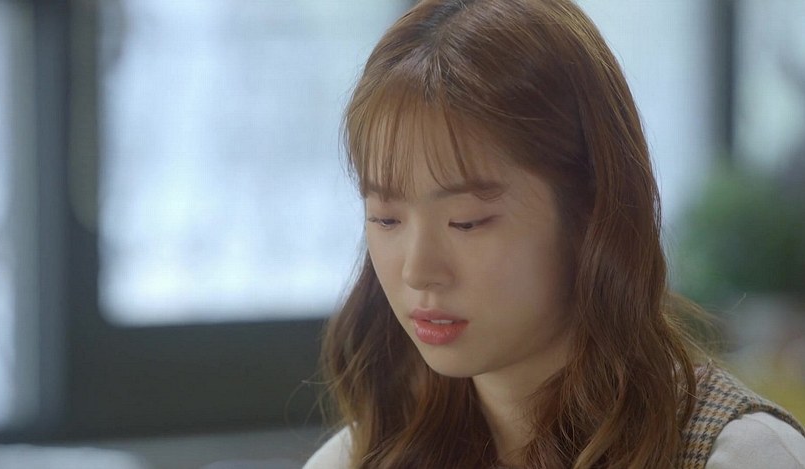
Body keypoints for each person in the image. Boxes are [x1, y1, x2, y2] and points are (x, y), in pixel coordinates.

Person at [305, 0, 805, 467]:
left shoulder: (738, 454)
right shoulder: (360, 456)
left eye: (466, 221)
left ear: (589, 210)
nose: (418, 271)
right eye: (386, 218)